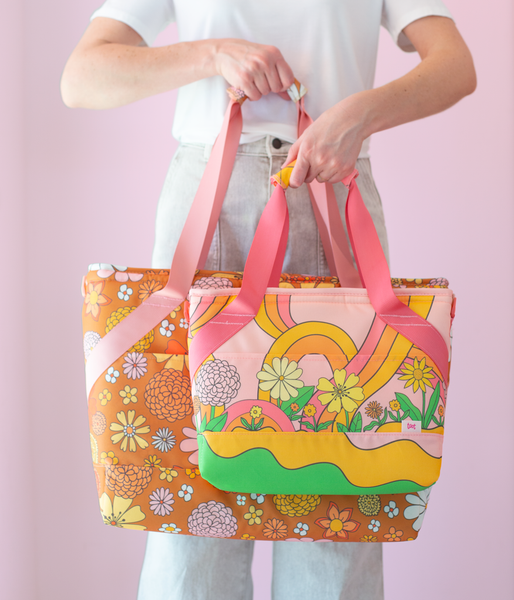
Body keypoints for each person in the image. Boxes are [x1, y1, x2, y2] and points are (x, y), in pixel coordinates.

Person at [61, 1, 475, 599]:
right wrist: (211, 54)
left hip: (335, 176)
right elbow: (82, 77)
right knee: (192, 490)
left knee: (344, 491)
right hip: (210, 194)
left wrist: (363, 112)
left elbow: (456, 64)